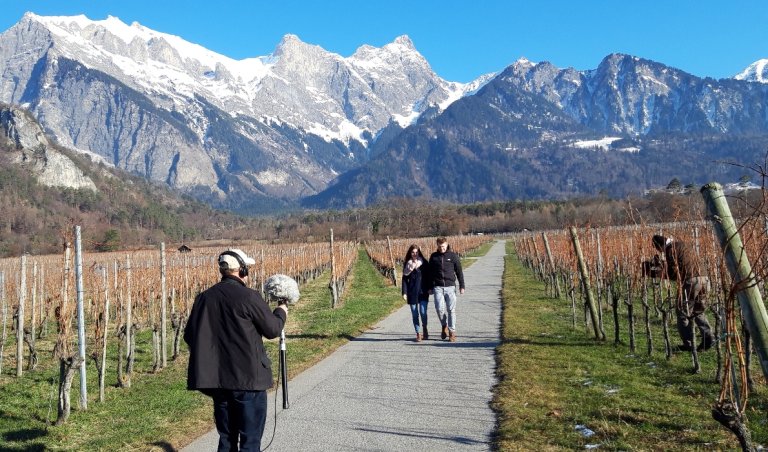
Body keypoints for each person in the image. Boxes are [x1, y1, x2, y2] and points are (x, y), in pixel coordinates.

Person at [184, 248, 288, 451]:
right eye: (246, 268)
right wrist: (281, 311)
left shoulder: (203, 298)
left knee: (226, 438)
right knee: (250, 441)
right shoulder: (249, 297)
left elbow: (190, 336)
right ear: (241, 270)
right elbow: (273, 329)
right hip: (248, 381)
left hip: (218, 383)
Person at [652, 234, 715, 352]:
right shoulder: (682, 245)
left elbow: (674, 272)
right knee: (698, 310)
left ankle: (689, 344)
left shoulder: (671, 250)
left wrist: (659, 271)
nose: (660, 252)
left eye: (658, 249)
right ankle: (708, 337)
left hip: (691, 281)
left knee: (682, 312)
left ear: (660, 246)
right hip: (705, 279)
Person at [428, 237, 465, 342]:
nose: (442, 248)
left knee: (451, 310)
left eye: (443, 246)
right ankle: (444, 325)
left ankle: (452, 332)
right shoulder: (434, 257)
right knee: (439, 309)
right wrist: (430, 287)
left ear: (447, 244)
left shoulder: (453, 256)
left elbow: (459, 272)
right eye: (440, 246)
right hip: (438, 287)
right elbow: (430, 274)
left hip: (450, 286)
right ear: (437, 246)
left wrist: (462, 286)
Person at [402, 244, 430, 341]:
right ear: (410, 253)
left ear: (419, 253)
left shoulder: (424, 263)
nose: (415, 254)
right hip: (412, 292)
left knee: (423, 312)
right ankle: (418, 333)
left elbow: (429, 277)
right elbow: (404, 279)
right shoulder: (407, 264)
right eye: (413, 252)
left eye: (416, 252)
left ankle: (425, 327)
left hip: (423, 291)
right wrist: (404, 292)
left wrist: (430, 288)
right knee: (414, 314)